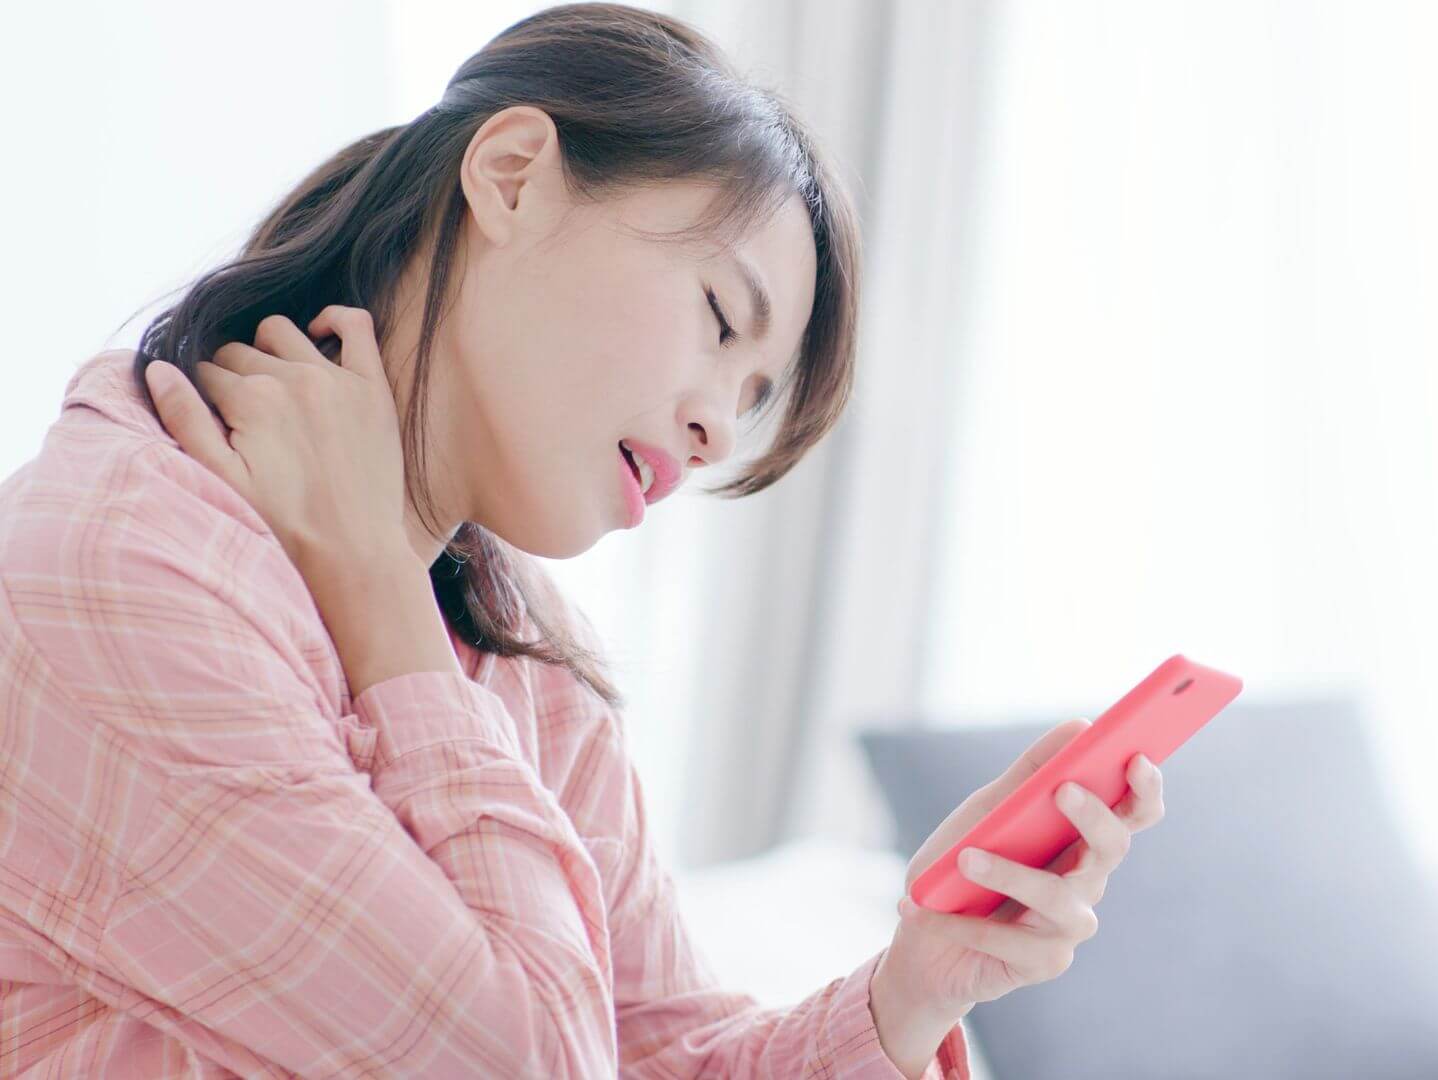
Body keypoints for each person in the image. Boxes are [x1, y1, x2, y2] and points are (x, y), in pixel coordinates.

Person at [0, 4, 1165, 1076]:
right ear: (512, 176)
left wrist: (909, 991)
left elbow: (648, 1053)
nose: (717, 431)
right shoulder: (118, 569)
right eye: (719, 318)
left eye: (751, 399)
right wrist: (382, 601)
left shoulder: (517, 656)